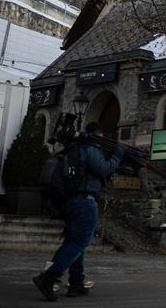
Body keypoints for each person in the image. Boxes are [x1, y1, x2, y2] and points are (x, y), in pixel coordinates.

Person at [33, 122, 125, 301]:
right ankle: (49, 277)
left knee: (75, 242)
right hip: (85, 201)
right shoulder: (91, 148)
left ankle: (76, 283)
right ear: (99, 135)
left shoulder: (74, 148)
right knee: (78, 242)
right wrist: (117, 155)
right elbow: (103, 168)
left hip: (71, 201)